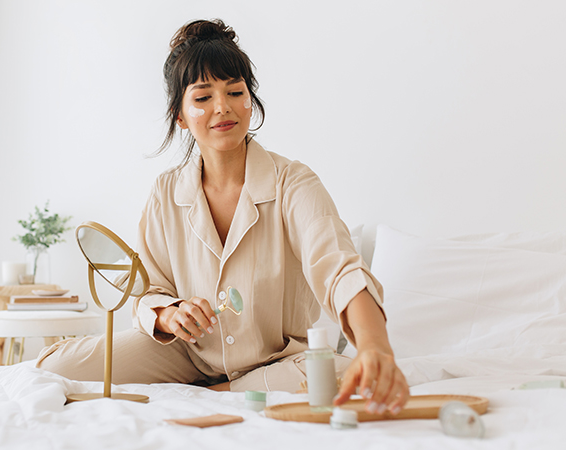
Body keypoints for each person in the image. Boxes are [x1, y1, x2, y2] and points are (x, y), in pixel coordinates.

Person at [38, 18, 409, 415]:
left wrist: (375, 346)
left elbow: (340, 270)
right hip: (187, 356)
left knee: (342, 374)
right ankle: (226, 388)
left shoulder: (293, 183)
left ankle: (222, 391)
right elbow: (149, 290)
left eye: (235, 91)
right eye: (203, 97)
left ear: (251, 102)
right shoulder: (166, 193)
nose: (223, 107)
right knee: (55, 367)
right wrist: (169, 314)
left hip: (278, 362)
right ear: (179, 115)